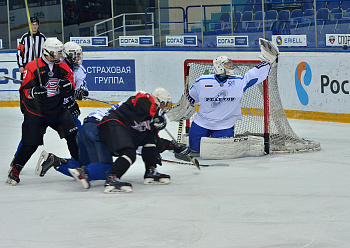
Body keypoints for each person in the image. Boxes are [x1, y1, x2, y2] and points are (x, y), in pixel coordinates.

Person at [35, 106, 190, 190]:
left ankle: (55, 161)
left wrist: (166, 146)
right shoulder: (138, 124)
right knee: (106, 169)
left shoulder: (132, 109)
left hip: (86, 128)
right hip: (99, 131)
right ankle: (85, 172)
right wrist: (166, 147)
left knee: (87, 164)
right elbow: (134, 144)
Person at [6, 38, 79, 186]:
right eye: (58, 53)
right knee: (30, 143)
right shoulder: (32, 67)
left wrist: (68, 87)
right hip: (36, 112)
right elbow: (24, 91)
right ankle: (15, 170)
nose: (60, 55)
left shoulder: (63, 67)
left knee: (73, 135)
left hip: (57, 110)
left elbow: (70, 85)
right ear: (48, 52)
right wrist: (33, 92)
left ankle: (80, 166)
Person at [184, 48, 278, 155]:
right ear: (219, 66)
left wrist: (267, 63)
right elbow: (190, 99)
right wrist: (184, 108)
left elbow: (253, 74)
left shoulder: (238, 81)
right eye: (227, 64)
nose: (230, 66)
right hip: (201, 123)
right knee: (195, 150)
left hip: (224, 125)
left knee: (218, 153)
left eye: (230, 63)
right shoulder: (202, 81)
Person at [97, 87, 179, 193]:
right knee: (129, 152)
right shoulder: (146, 98)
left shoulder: (153, 118)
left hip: (125, 130)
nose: (165, 108)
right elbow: (141, 101)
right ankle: (112, 178)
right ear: (158, 100)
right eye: (164, 104)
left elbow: (155, 140)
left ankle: (151, 171)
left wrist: (171, 145)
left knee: (150, 138)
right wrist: (155, 115)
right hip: (112, 123)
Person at [62, 41, 89, 129]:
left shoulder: (80, 69)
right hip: (51, 105)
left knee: (76, 129)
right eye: (77, 55)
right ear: (69, 55)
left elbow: (82, 87)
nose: (79, 57)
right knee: (35, 132)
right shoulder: (57, 67)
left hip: (68, 105)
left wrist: (81, 92)